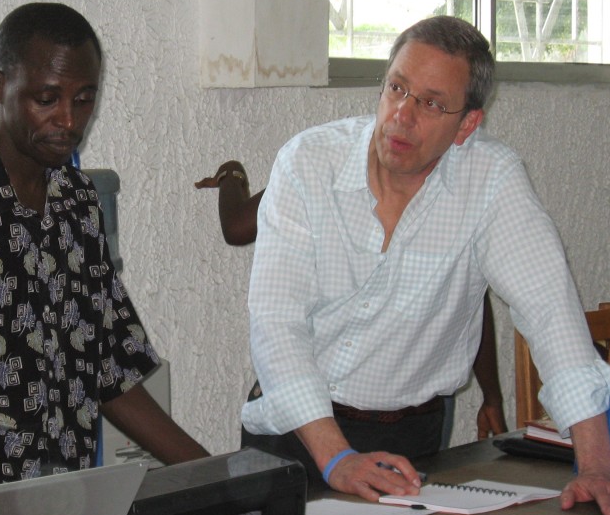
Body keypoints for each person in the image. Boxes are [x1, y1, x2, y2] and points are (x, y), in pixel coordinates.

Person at [242, 15, 610, 515]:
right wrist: (338, 459)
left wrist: (596, 465)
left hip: (411, 444)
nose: (401, 115)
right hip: (296, 432)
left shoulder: (492, 181)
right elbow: (275, 324)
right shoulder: (307, 163)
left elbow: (551, 314)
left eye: (432, 103)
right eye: (397, 88)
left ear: (467, 125)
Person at [0, 2, 208, 496]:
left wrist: (212, 474)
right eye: (47, 99)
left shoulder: (78, 201)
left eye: (84, 99)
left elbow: (109, 368)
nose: (68, 119)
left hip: (63, 508)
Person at [194, 164, 507, 453]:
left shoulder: (460, 190)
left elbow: (469, 295)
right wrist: (232, 174)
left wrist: (492, 395)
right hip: (309, 415)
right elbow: (237, 228)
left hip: (412, 419)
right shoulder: (328, 168)